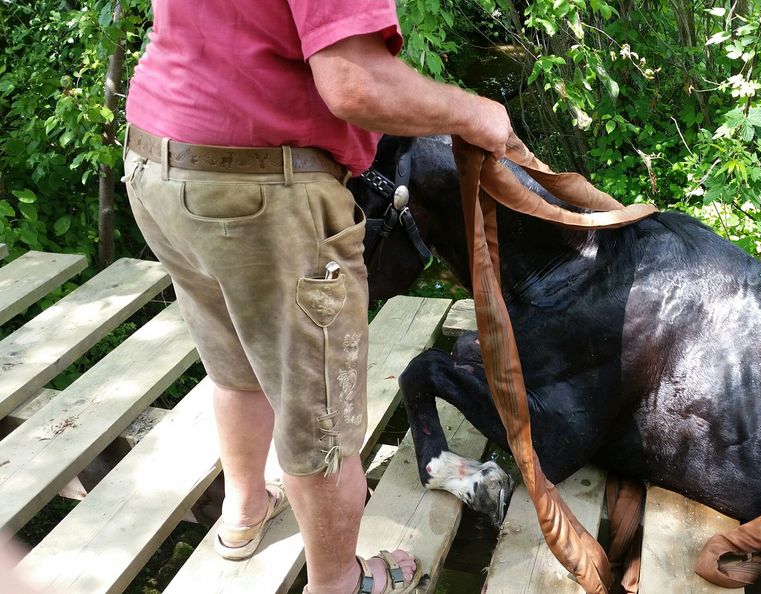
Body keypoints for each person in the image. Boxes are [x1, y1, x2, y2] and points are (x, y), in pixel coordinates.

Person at [121, 2, 511, 593]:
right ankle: (339, 581)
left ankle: (245, 511)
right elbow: (355, 83)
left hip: (158, 165)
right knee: (322, 420)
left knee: (237, 364)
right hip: (260, 192)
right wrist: (476, 112)